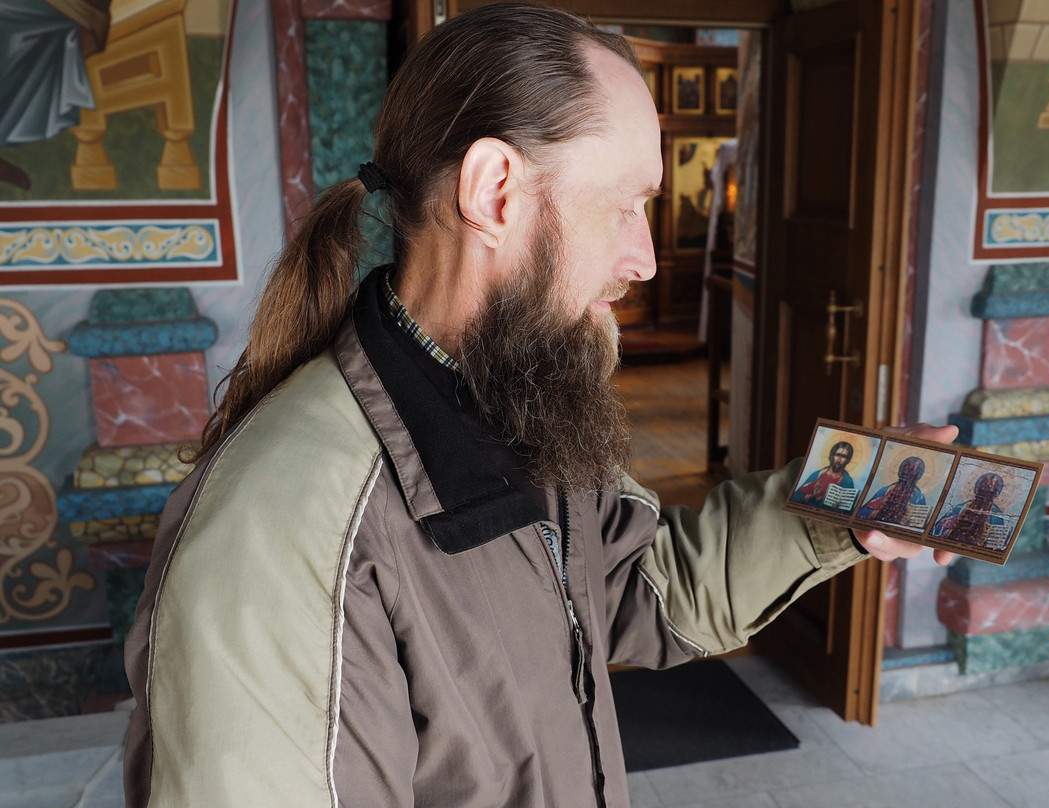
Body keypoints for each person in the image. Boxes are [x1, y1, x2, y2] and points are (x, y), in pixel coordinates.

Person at [122, 5, 957, 806]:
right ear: (495, 192)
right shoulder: (278, 536)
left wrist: (844, 508)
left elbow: (634, 591)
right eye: (625, 205)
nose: (645, 259)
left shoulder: (516, 394)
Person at [931, 471, 1007, 547]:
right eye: (983, 489)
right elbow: (937, 528)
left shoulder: (996, 515)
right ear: (978, 488)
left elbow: (996, 542)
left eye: (991, 489)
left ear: (996, 492)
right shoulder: (964, 506)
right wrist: (951, 524)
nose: (986, 491)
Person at [857, 455, 928, 526]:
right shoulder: (886, 490)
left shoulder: (918, 497)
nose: (907, 474)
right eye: (906, 469)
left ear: (918, 475)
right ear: (901, 471)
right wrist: (877, 510)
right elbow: (861, 513)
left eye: (913, 471)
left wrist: (909, 520)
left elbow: (919, 524)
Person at [791, 440, 856, 509]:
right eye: (837, 455)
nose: (839, 459)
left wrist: (838, 507)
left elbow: (848, 509)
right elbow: (795, 497)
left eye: (843, 456)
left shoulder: (848, 481)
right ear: (832, 456)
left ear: (847, 460)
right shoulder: (818, 474)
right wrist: (805, 497)